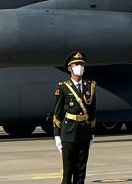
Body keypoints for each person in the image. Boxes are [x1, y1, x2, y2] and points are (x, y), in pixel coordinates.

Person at [52, 51, 96, 184]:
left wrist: (92, 134)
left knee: (81, 172)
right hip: (69, 132)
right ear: (70, 68)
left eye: (82, 64)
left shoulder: (90, 86)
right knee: (68, 171)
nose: (80, 67)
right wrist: (57, 135)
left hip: (84, 132)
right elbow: (57, 113)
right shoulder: (63, 87)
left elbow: (92, 112)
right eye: (76, 65)